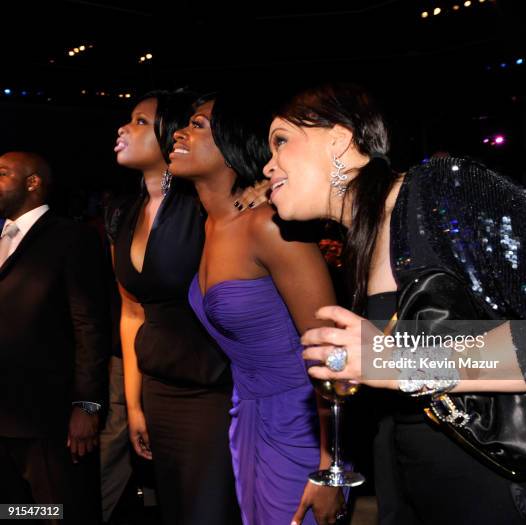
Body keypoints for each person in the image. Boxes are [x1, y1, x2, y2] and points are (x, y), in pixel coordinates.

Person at [262, 83, 526, 524]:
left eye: (280, 140)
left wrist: (398, 362)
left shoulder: (445, 190)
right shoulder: (362, 243)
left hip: (514, 498)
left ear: (340, 140)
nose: (267, 164)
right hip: (425, 492)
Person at [169, 91, 346, 525]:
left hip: (302, 422)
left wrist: (330, 466)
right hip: (246, 416)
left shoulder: (268, 224)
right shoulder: (209, 225)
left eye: (197, 124)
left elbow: (333, 351)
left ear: (231, 144)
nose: (180, 132)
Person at [109, 90, 243, 525]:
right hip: (156, 387)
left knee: (207, 511)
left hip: (212, 388)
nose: (124, 128)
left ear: (168, 135)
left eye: (141, 122)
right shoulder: (122, 215)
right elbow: (132, 314)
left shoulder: (200, 208)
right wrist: (134, 405)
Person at [0, 151, 109, 524]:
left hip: (48, 418)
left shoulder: (70, 237)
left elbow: (90, 325)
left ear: (33, 182)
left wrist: (88, 406)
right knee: (16, 513)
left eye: (1, 173)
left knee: (60, 511)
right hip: (4, 413)